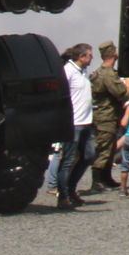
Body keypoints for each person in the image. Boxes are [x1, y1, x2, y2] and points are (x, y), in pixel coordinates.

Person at [54, 43, 96, 210]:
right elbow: (61, 95)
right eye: (90, 55)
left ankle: (71, 189)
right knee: (68, 160)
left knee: (89, 156)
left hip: (87, 122)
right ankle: (63, 196)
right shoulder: (68, 71)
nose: (92, 58)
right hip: (74, 123)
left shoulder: (83, 72)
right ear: (81, 57)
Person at [88, 41, 128, 192]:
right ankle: (97, 180)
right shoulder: (108, 74)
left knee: (110, 148)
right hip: (106, 116)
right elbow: (120, 92)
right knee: (104, 148)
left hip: (107, 115)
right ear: (113, 53)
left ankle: (106, 178)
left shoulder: (102, 71)